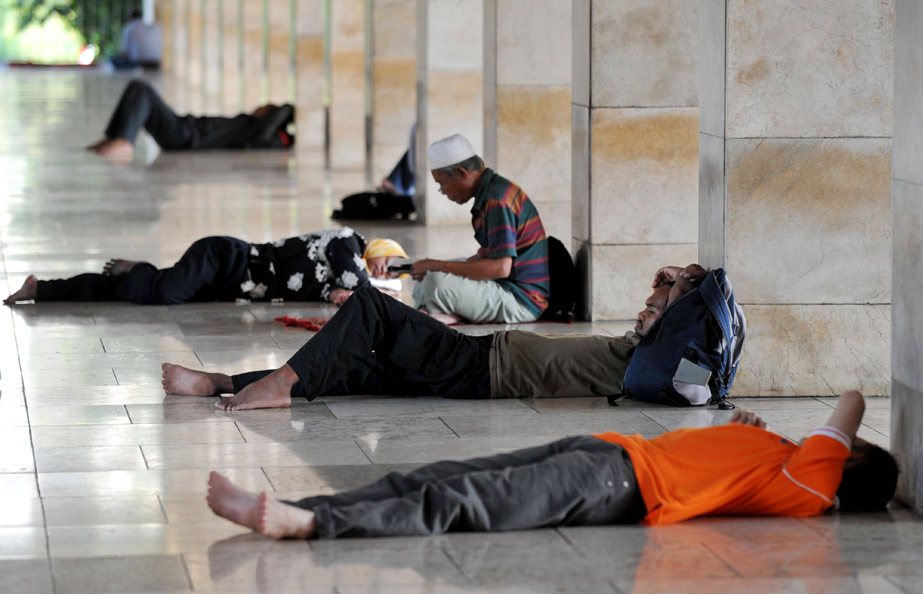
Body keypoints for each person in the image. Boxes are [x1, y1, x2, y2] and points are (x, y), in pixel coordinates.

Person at [204, 390, 898, 539]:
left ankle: (309, 527)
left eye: (846, 447)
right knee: (437, 477)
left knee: (464, 504)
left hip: (618, 484)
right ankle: (302, 511)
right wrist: (744, 434)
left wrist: (839, 440)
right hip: (605, 452)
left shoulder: (816, 482)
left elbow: (849, 401)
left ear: (850, 460)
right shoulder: (792, 464)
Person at [158, 263, 709, 410]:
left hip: (478, 366)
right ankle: (222, 382)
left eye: (654, 310)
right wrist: (671, 283)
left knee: (371, 306)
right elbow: (681, 301)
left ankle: (280, 383)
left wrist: (684, 282)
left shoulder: (651, 363)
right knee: (356, 368)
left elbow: (694, 310)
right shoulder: (641, 351)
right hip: (481, 359)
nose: (642, 312)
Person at [3, 231, 408, 307]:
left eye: (390, 275)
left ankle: (44, 289)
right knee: (162, 292)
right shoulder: (346, 242)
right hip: (225, 258)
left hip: (228, 286)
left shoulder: (341, 277)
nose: (383, 272)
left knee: (134, 292)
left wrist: (339, 295)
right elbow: (359, 286)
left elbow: (340, 292)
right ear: (380, 249)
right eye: (388, 265)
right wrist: (378, 289)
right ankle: (141, 268)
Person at [409, 133, 549, 325]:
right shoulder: (492, 192)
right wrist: (435, 267)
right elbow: (487, 258)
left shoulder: (496, 200)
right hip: (501, 287)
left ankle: (445, 313)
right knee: (426, 280)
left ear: (461, 173)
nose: (442, 191)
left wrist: (439, 266)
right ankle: (447, 313)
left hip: (520, 300)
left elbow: (500, 268)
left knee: (436, 283)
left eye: (442, 183)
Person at [87, 80, 294, 159]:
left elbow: (286, 110)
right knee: (138, 88)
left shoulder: (256, 132)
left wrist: (286, 112)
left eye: (266, 107)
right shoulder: (248, 124)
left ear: (269, 116)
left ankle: (124, 140)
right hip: (184, 127)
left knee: (141, 89)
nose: (259, 107)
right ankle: (114, 137)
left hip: (185, 136)